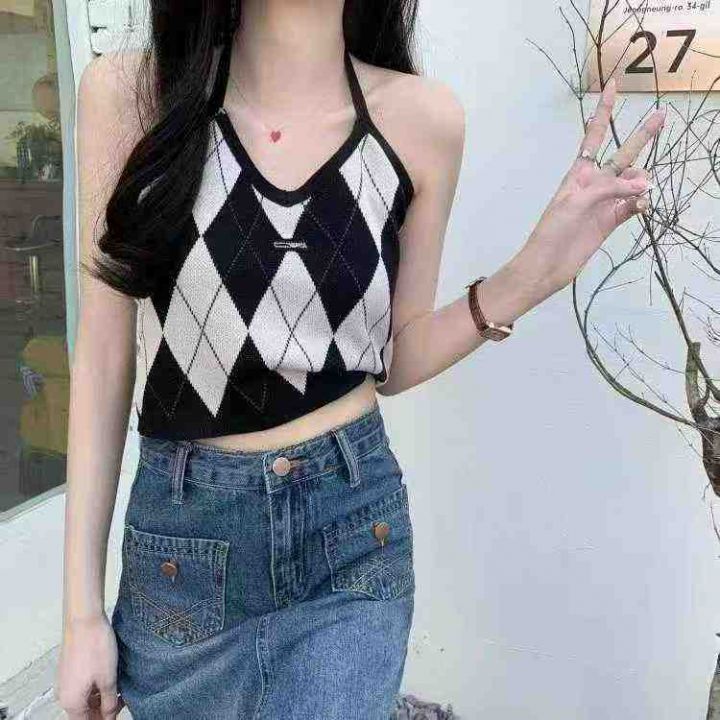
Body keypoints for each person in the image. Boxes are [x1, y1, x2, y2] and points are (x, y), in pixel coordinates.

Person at [53, 0, 665, 717]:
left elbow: (394, 360)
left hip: (347, 534)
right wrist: (81, 616)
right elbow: (102, 360)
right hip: (182, 553)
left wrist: (529, 277)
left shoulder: (422, 119)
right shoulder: (133, 95)